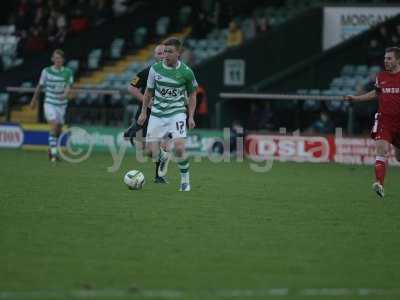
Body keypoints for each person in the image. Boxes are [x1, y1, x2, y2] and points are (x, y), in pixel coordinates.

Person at [137, 37, 198, 192]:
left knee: (179, 148)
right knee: (150, 152)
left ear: (179, 53)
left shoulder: (186, 72)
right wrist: (144, 112)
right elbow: (148, 92)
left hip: (176, 113)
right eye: (164, 51)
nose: (165, 55)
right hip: (157, 114)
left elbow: (192, 95)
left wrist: (190, 116)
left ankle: (185, 181)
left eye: (170, 52)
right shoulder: (155, 69)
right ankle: (163, 156)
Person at [345, 47, 400, 198]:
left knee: (398, 157)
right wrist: (356, 99)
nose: (386, 61)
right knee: (381, 149)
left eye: (389, 58)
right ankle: (379, 184)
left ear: (397, 60)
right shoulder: (381, 77)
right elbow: (376, 93)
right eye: (385, 58)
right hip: (385, 120)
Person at [123, 44, 168, 184]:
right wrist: (147, 101)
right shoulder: (148, 71)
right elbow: (131, 87)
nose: (162, 56)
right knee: (144, 149)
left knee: (160, 147)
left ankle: (158, 176)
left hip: (164, 115)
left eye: (164, 53)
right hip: (145, 113)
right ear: (155, 56)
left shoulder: (175, 72)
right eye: (159, 53)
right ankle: (134, 129)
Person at [30, 49, 73, 162]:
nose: (57, 60)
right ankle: (54, 154)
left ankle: (51, 148)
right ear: (52, 59)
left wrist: (65, 94)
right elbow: (40, 86)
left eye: (59, 58)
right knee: (53, 125)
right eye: (55, 58)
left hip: (61, 105)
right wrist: (34, 100)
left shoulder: (68, 72)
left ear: (63, 60)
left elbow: (69, 86)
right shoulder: (46, 71)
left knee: (58, 129)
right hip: (49, 102)